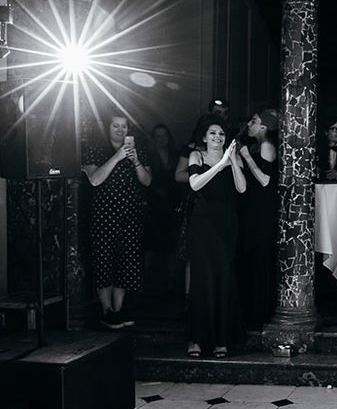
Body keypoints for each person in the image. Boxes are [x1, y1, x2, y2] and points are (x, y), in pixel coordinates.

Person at [83, 113, 152, 329]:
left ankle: (119, 309)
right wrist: (117, 157)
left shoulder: (137, 150)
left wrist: (136, 161)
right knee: (104, 260)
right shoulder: (95, 149)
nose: (120, 130)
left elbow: (147, 181)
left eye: (124, 126)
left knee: (126, 261)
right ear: (108, 127)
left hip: (130, 214)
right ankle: (106, 310)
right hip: (104, 214)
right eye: (116, 126)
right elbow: (94, 180)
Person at [186, 115, 246, 358]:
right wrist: (220, 165)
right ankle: (196, 340)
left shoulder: (233, 158)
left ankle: (221, 339)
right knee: (202, 280)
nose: (217, 137)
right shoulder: (196, 157)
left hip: (226, 225)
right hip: (201, 225)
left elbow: (241, 188)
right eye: (212, 133)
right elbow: (195, 185)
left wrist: (231, 161)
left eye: (221, 134)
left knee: (223, 279)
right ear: (204, 137)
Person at [238, 110, 279, 328]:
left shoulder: (266, 146)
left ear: (264, 127)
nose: (249, 124)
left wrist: (244, 156)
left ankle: (259, 314)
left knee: (260, 259)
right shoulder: (256, 145)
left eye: (254, 121)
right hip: (253, 208)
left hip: (263, 212)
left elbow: (264, 180)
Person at [145, 124, 181, 295]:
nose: (161, 139)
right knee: (150, 245)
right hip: (153, 206)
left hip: (172, 206)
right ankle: (145, 283)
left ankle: (170, 283)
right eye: (157, 136)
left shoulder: (175, 155)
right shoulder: (149, 156)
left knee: (171, 246)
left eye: (164, 136)